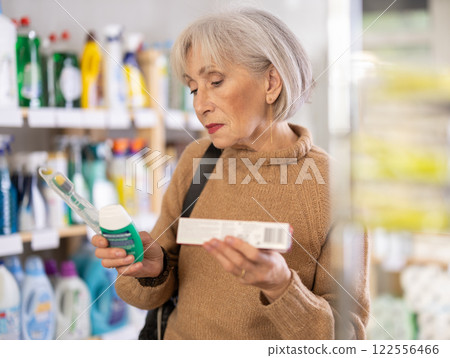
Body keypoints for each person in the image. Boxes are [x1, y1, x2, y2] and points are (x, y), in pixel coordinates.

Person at [91, 7, 370, 339]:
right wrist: (152, 269)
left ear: (271, 82)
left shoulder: (334, 187)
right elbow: (150, 293)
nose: (200, 105)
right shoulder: (198, 159)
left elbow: (348, 338)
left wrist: (281, 287)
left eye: (216, 82)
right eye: (194, 88)